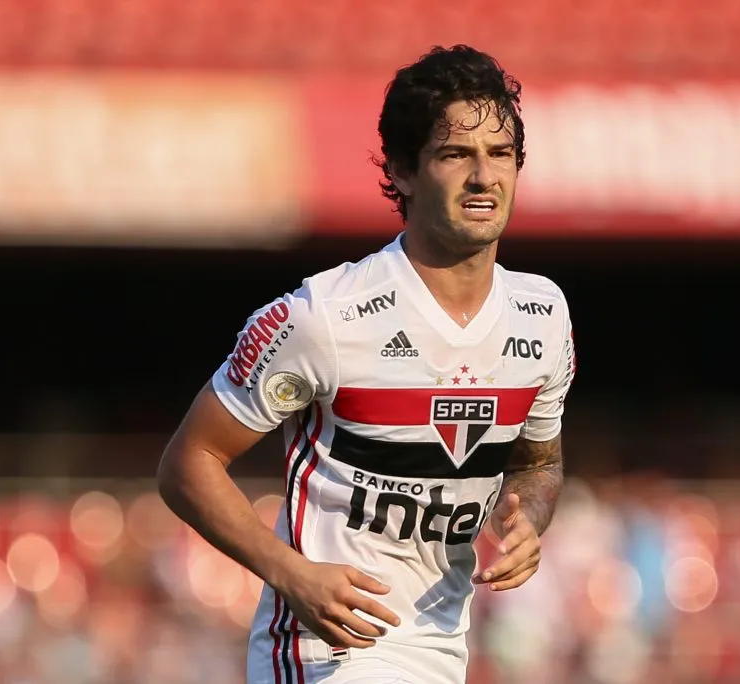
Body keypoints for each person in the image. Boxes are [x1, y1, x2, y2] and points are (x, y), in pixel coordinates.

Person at [157, 44, 576, 684]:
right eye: (456, 154)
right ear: (404, 172)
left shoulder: (542, 317)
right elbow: (189, 462)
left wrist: (529, 518)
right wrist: (291, 573)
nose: (484, 177)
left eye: (501, 154)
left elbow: (538, 462)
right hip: (328, 655)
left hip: (440, 650)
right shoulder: (325, 315)